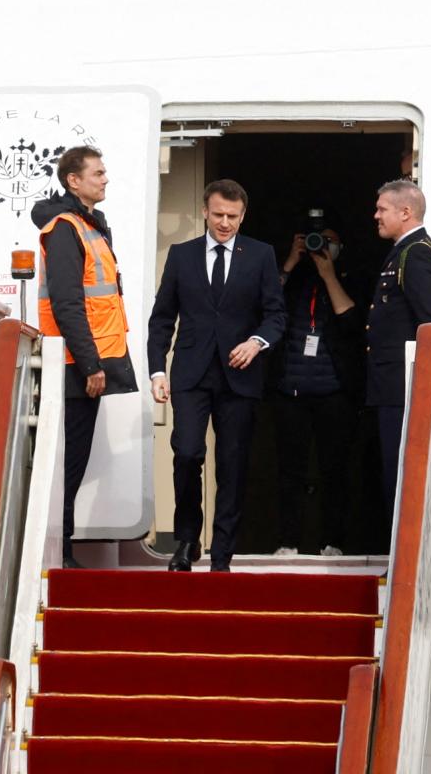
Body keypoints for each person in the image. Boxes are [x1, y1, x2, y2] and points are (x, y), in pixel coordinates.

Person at [147, 179, 285, 572]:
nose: (225, 223)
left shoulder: (260, 255)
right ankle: (187, 539)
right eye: (219, 214)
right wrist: (157, 370)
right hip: (190, 373)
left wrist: (256, 342)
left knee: (232, 464)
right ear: (205, 211)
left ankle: (222, 554)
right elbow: (162, 319)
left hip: (240, 376)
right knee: (187, 453)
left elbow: (276, 314)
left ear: (243, 216)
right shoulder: (182, 255)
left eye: (233, 216)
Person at [31, 146, 138, 569]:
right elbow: (67, 304)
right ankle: (61, 551)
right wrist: (91, 364)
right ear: (73, 181)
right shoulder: (66, 229)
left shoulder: (89, 224)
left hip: (86, 361)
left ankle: (63, 548)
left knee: (73, 460)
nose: (105, 178)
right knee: (68, 462)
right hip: (76, 365)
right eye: (98, 173)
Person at [272, 220, 364, 557]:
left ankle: (333, 542)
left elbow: (351, 321)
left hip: (334, 393)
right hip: (290, 391)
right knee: (289, 471)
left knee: (334, 470)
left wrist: (328, 275)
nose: (320, 247)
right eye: (315, 241)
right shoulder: (293, 278)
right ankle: (287, 542)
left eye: (328, 242)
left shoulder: (349, 278)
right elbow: (264, 303)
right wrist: (290, 262)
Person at [367, 179, 431, 528]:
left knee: (399, 473)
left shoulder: (416, 254)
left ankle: (400, 551)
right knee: (390, 471)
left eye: (382, 209)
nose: (376, 216)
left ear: (405, 212)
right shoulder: (404, 251)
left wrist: (427, 385)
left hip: (404, 386)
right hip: (390, 384)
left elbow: (430, 323)